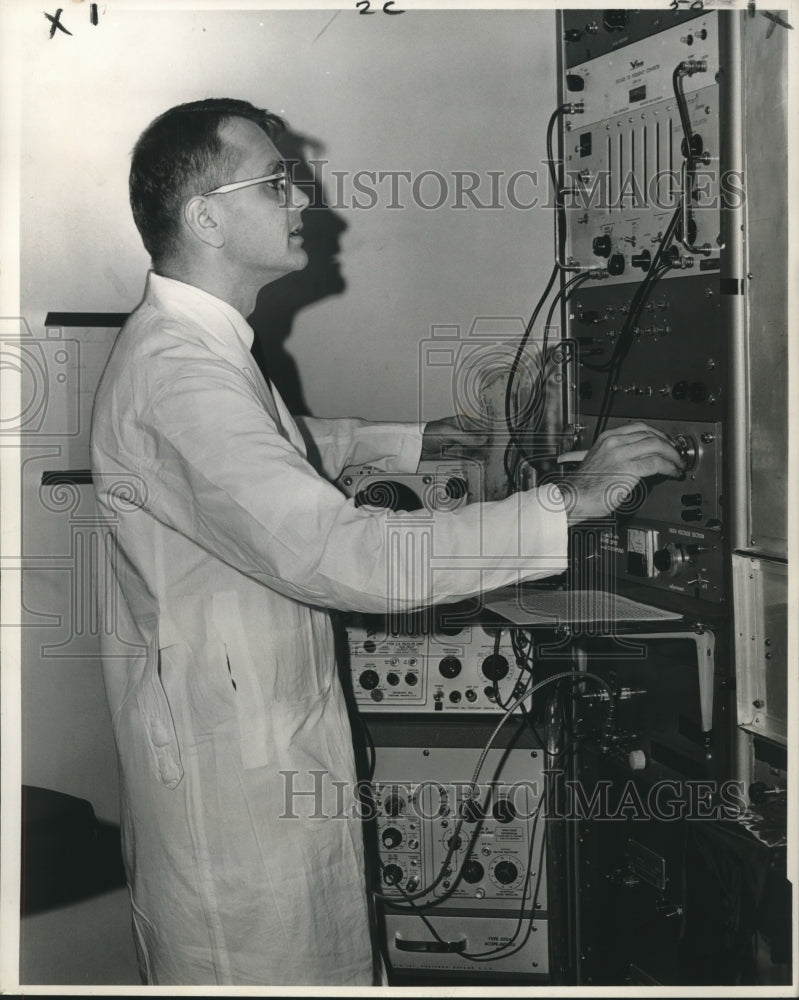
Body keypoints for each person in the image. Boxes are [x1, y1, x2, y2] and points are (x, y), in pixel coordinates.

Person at [90, 98, 684, 986]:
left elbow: (272, 454)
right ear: (205, 216)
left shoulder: (199, 353)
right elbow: (342, 554)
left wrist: (414, 440)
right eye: (278, 182)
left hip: (262, 762)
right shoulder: (179, 376)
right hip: (237, 817)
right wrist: (573, 501)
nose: (306, 201)